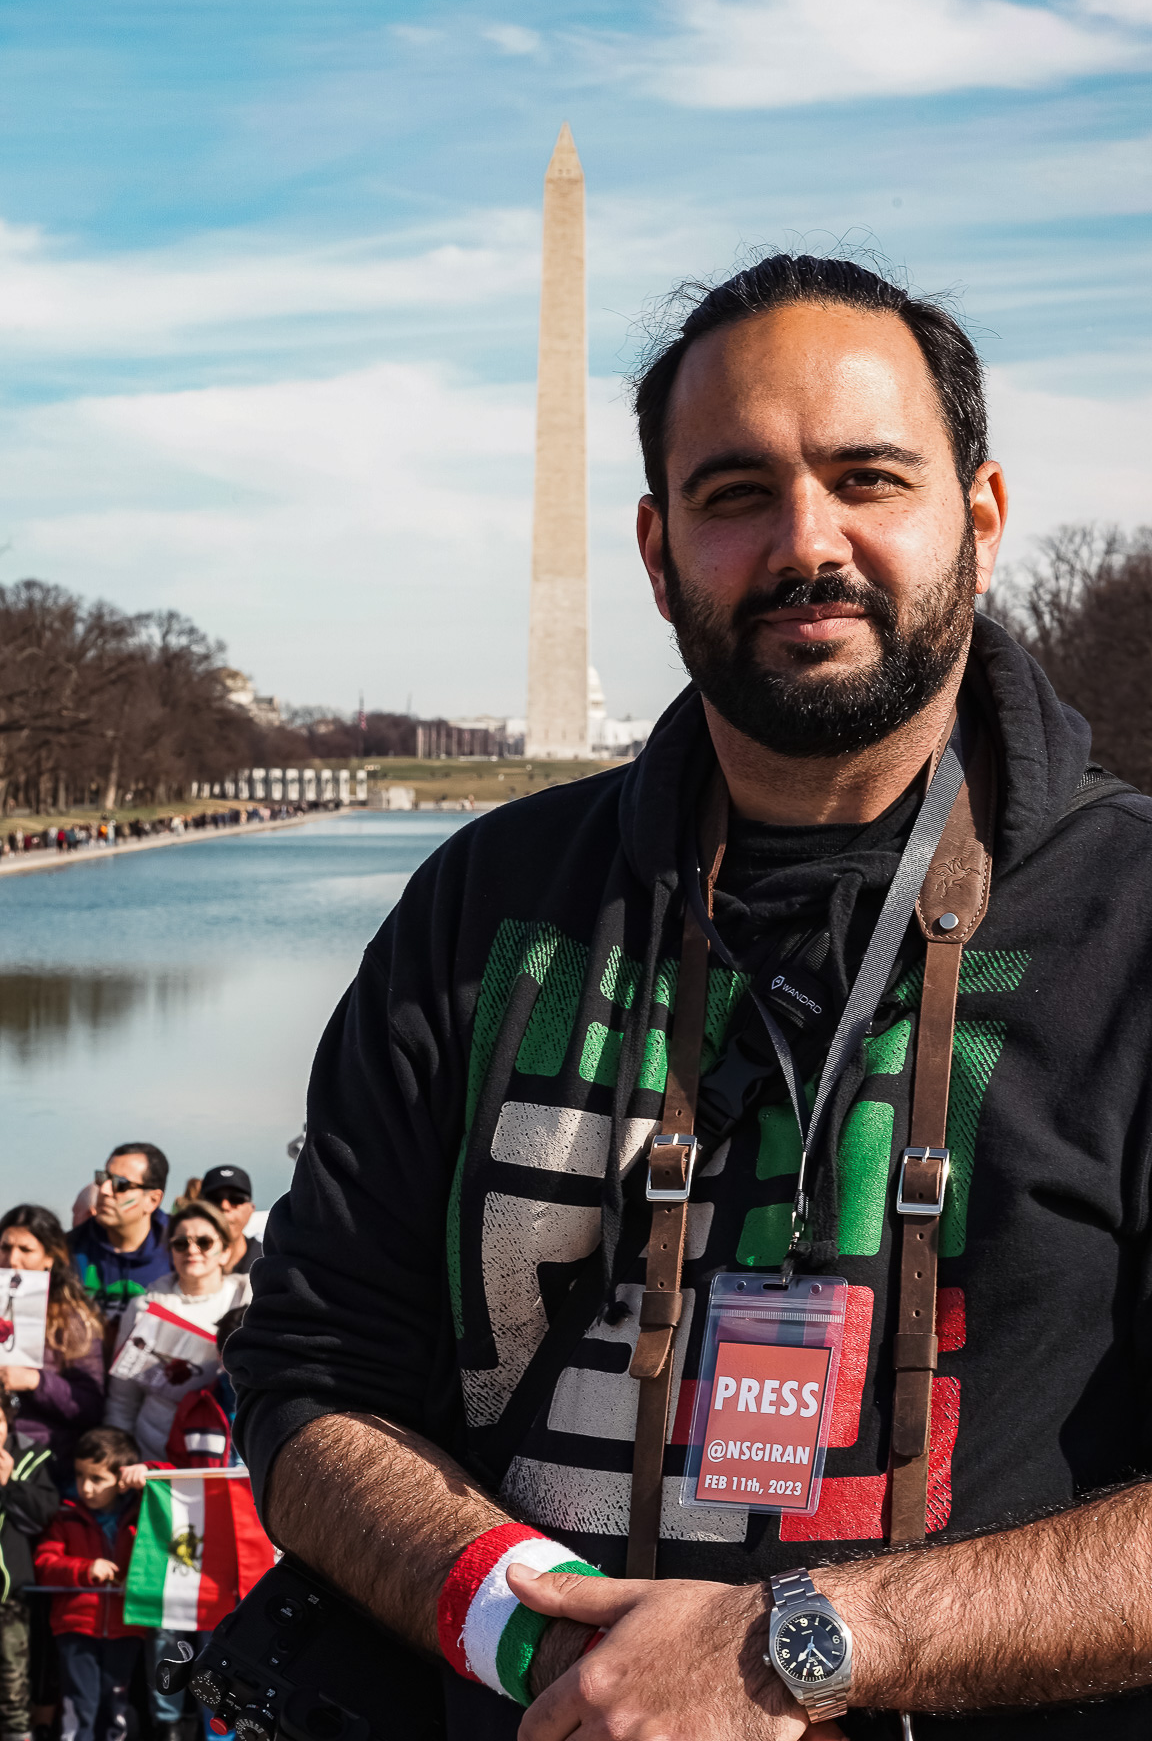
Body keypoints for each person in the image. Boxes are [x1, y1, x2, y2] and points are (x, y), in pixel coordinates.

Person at [229, 253, 1152, 1741]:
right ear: (659, 554)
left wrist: (811, 1645)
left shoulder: (1134, 924)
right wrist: (553, 1656)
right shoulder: (483, 909)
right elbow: (313, 1367)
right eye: (736, 494)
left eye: (869, 477)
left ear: (977, 521)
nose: (809, 542)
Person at [104, 1201, 249, 1463]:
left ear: (225, 1251)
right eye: (181, 1243)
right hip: (156, 1456)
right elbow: (122, 1398)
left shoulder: (247, 1301)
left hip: (229, 1454)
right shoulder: (143, 1308)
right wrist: (119, 1455)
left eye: (204, 1242)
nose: (192, 1250)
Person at [34, 1426, 145, 1741]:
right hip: (75, 1628)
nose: (86, 1487)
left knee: (116, 1705)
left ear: (121, 1481)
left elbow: (172, 1479)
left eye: (97, 1479)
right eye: (81, 1476)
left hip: (127, 1627)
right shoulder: (65, 1517)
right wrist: (85, 1569)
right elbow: (44, 1564)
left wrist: (147, 1473)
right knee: (79, 1704)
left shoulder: (142, 1515)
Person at [0, 1208, 105, 1480]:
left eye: (26, 1249)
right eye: (5, 1247)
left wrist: (35, 1381)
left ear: (49, 1257)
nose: (13, 1259)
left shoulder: (73, 1319)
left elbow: (90, 1406)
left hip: (43, 1464)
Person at [0, 1394, 59, 1741]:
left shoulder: (33, 1459)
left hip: (11, 1596)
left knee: (12, 1687)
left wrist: (9, 1484)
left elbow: (43, 1515)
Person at [68, 1147, 170, 1341]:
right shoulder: (67, 1248)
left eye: (120, 1184)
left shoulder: (182, 1247)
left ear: (152, 1200)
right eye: (102, 1178)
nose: (104, 1190)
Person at [198, 1168, 262, 1276]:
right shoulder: (177, 1257)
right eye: (214, 1199)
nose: (224, 1206)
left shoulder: (271, 1260)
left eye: (236, 1198)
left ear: (251, 1208)